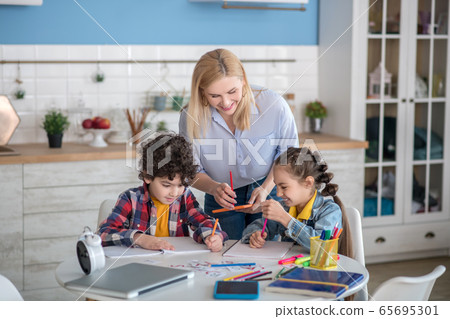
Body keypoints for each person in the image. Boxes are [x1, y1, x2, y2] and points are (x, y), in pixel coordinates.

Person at [179, 48, 298, 239]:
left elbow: (288, 155)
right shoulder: (190, 117)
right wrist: (212, 188)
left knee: (267, 253)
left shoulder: (273, 105)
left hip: (268, 188)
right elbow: (190, 170)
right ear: (202, 91)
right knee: (223, 255)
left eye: (232, 91)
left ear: (243, 80)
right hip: (220, 195)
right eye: (214, 96)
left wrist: (266, 188)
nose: (226, 102)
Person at [98, 132, 228, 252]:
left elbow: (205, 222)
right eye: (167, 185)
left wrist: (214, 236)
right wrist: (140, 239)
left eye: (181, 184)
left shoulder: (184, 197)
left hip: (175, 264)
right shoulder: (130, 199)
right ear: (147, 176)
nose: (175, 192)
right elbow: (103, 234)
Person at [241, 147, 353, 258]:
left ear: (308, 183)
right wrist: (255, 235)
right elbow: (259, 225)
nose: (278, 194)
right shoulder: (285, 207)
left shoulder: (329, 211)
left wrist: (287, 220)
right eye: (276, 186)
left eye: (284, 187)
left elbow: (321, 246)